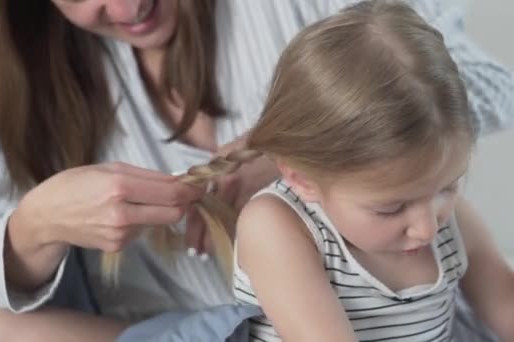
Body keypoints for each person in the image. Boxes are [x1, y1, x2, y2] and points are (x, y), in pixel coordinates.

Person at [0, 0, 513, 341]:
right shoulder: (40, 86)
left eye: (445, 189)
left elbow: (483, 87)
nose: (128, 4)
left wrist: (315, 144)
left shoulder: (434, 210)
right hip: (193, 321)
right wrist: (37, 223)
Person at [182, 1, 513, 340]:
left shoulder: (443, 216)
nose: (427, 228)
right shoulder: (277, 226)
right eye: (392, 208)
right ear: (302, 179)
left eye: (446, 187)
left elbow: (504, 302)